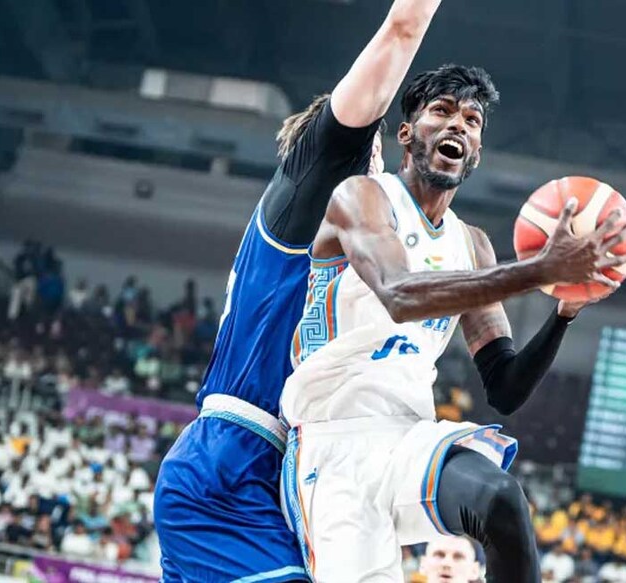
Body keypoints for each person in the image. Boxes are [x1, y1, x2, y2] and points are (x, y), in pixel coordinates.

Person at [280, 64, 626, 582]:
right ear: (407, 133)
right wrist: (538, 270)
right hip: (333, 447)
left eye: (471, 121)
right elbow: (400, 294)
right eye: (442, 112)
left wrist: (565, 309)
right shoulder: (362, 197)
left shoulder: (473, 245)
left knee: (501, 499)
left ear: (477, 153)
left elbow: (505, 387)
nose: (458, 126)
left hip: (408, 438)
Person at [152, 1, 448, 581]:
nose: (387, 181)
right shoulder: (308, 190)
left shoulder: (347, 253)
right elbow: (401, 28)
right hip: (231, 465)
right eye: (379, 156)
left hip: (285, 476)